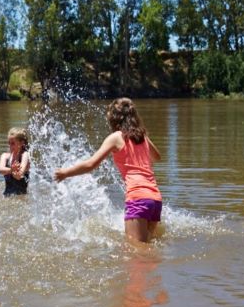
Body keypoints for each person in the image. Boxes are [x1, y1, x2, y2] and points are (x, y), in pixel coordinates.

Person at [53, 98, 162, 244]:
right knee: (148, 246)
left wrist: (65, 173)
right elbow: (157, 157)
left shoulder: (116, 137)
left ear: (113, 119)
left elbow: (91, 164)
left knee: (136, 252)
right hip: (155, 198)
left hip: (138, 197)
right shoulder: (142, 136)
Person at [0, 127, 31, 196]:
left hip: (21, 198)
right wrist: (12, 169)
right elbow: (0, 170)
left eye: (13, 143)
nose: (10, 146)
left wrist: (16, 174)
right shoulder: (5, 156)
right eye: (9, 143)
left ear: (22, 143)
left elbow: (19, 175)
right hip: (6, 196)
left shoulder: (25, 155)